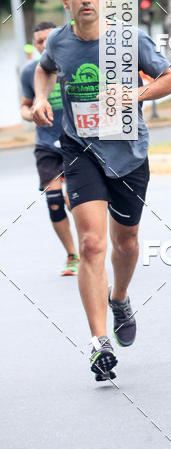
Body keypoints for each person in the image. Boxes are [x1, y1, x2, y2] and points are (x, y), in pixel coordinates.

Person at [32, 0, 171, 381]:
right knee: (93, 244)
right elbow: (44, 68)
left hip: (128, 153)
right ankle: (99, 344)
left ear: (104, 0)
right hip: (80, 151)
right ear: (66, 2)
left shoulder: (128, 39)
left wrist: (136, 93)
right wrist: (43, 97)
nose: (85, 0)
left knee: (126, 242)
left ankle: (120, 297)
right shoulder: (59, 41)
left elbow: (169, 80)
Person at [21, 21, 79, 276]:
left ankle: (93, 245)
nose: (44, 46)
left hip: (76, 141)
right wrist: (31, 113)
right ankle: (72, 255)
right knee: (54, 201)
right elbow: (24, 105)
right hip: (46, 144)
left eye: (48, 40)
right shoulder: (30, 72)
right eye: (39, 43)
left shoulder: (73, 64)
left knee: (78, 200)